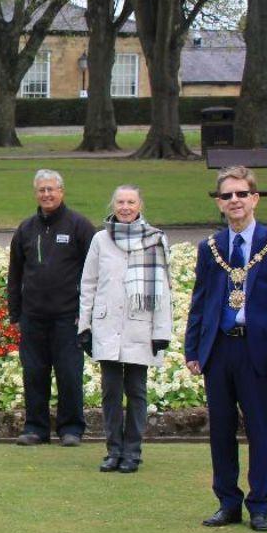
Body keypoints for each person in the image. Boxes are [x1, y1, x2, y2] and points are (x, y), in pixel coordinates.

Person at [185, 166, 267, 533]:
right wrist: (193, 348)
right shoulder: (211, 248)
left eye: (241, 194)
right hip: (219, 349)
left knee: (259, 430)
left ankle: (260, 505)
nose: (234, 200)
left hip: (258, 352)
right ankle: (227, 503)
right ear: (220, 203)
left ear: (254, 198)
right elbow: (200, 301)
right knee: (220, 430)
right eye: (227, 195)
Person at [78, 185, 172, 473]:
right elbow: (89, 283)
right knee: (110, 391)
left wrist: (161, 332)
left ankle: (132, 451)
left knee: (136, 390)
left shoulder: (156, 238)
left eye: (131, 202)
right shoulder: (100, 239)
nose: (126, 207)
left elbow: (164, 287)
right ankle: (113, 450)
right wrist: (85, 325)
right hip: (107, 324)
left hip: (139, 326)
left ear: (139, 205)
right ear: (113, 205)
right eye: (120, 202)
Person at [7, 169, 96, 447]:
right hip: (33, 316)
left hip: (68, 317)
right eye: (42, 190)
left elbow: (95, 271)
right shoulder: (26, 229)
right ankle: (36, 427)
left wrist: (87, 313)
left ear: (61, 192)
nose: (47, 194)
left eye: (51, 189)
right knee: (34, 373)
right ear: (36, 194)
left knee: (69, 373)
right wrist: (15, 313)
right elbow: (15, 273)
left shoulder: (79, 226)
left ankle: (71, 428)